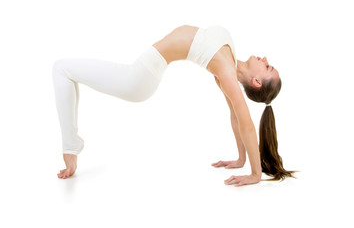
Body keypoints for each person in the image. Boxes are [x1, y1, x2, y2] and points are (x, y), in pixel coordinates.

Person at [52, 25, 295, 186]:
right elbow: (234, 116)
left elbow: (246, 124)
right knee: (64, 69)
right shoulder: (231, 60)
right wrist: (240, 158)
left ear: (256, 81)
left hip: (137, 79)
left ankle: (70, 146)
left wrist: (254, 173)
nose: (264, 59)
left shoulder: (228, 72)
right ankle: (72, 145)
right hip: (141, 72)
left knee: (61, 68)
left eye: (267, 67)